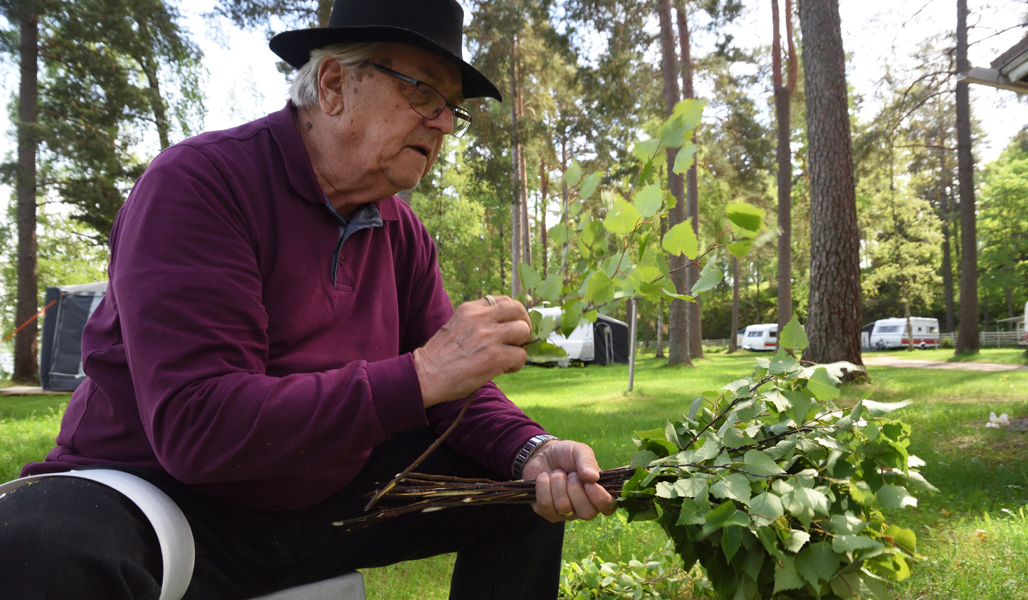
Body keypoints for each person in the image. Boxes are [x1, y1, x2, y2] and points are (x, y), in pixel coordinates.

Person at [0, 0, 615, 598]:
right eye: (423, 92)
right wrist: (423, 372)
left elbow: (453, 395)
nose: (446, 123)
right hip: (160, 494)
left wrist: (531, 449)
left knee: (523, 489)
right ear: (333, 83)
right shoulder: (201, 184)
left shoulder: (402, 233)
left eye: (452, 106)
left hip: (324, 499)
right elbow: (197, 426)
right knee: (37, 543)